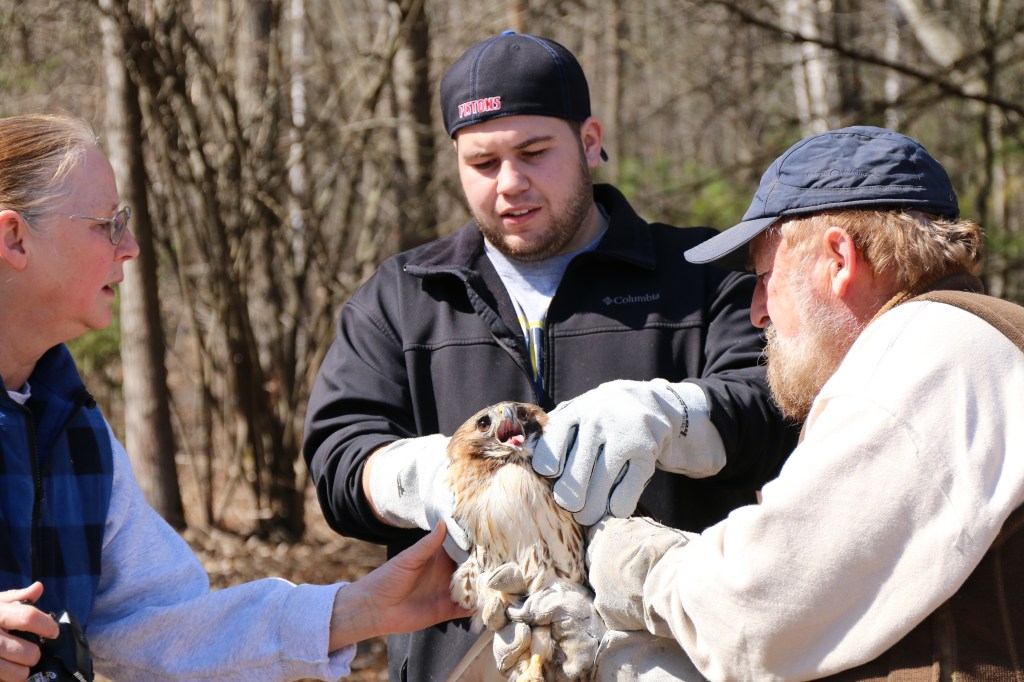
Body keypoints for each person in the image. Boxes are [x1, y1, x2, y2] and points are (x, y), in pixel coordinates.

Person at [303, 31, 797, 680]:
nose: (510, 184)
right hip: (469, 655)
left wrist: (673, 414)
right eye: (482, 163)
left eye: (535, 152)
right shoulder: (403, 296)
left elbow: (779, 406)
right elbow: (339, 452)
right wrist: (422, 475)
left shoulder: (699, 277)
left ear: (590, 141)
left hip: (665, 658)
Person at [0, 112, 468, 682]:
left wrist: (363, 608)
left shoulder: (72, 426)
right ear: (13, 238)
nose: (131, 247)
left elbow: (163, 626)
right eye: (107, 223)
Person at [584, 125, 1024, 680]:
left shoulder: (922, 352)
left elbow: (758, 607)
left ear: (839, 258)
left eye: (766, 276)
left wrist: (641, 566)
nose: (756, 311)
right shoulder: (966, 343)